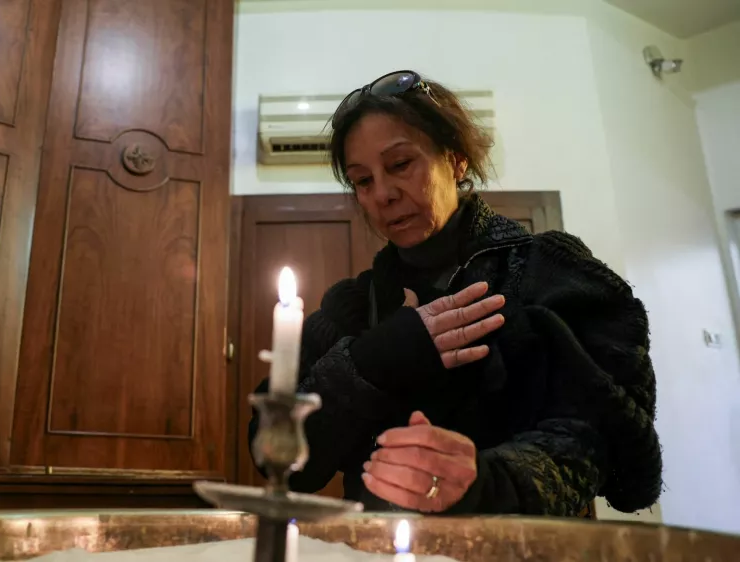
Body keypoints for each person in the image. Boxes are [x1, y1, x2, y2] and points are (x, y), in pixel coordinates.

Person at [248, 70, 662, 516]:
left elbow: (613, 452)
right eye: (362, 181)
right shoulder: (350, 307)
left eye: (400, 164)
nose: (383, 194)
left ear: (457, 160)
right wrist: (370, 362)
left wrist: (489, 480)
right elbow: (278, 457)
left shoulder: (551, 274)